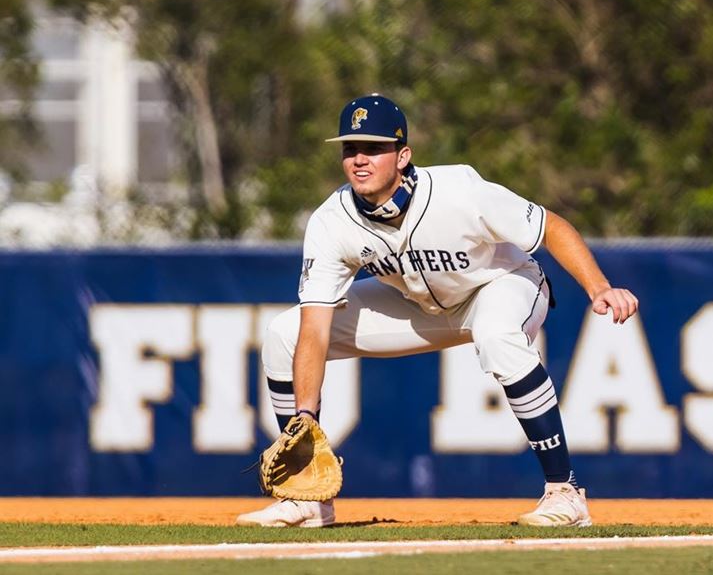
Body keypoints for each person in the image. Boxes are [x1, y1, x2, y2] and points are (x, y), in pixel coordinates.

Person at [236, 94, 638, 528]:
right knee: (284, 332)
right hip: (418, 306)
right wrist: (305, 418)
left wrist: (599, 287)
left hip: (500, 285)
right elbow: (315, 329)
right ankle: (306, 499)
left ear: (403, 155)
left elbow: (550, 226)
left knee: (497, 335)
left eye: (373, 148)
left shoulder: (460, 190)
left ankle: (565, 492)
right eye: (350, 149)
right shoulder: (332, 221)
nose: (359, 159)